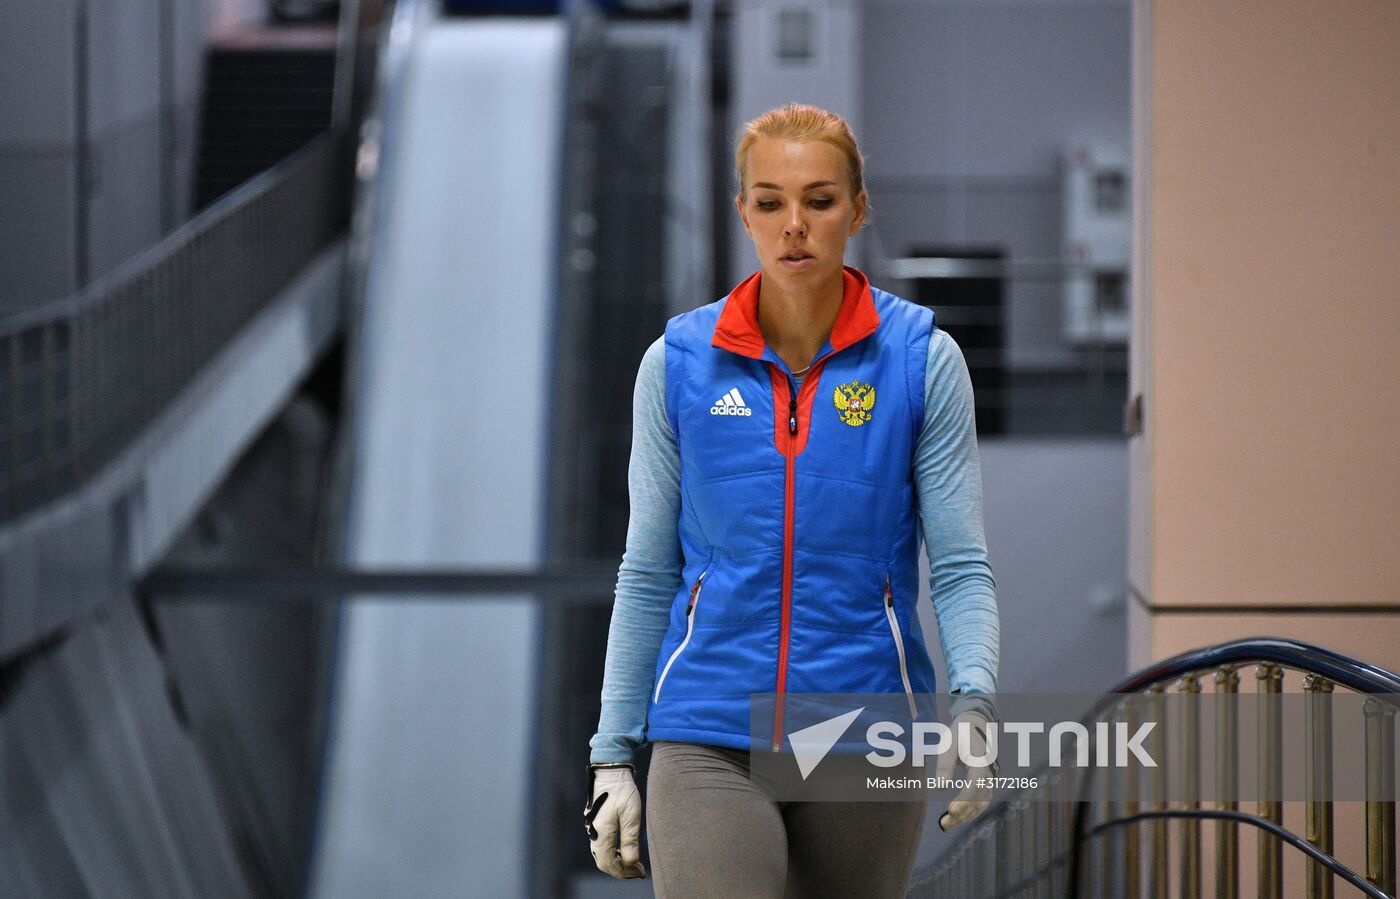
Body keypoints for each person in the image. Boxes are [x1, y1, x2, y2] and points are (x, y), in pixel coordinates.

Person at [583, 102, 1000, 897]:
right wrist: (613, 752)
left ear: (858, 207)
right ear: (743, 211)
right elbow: (646, 571)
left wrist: (973, 705)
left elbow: (959, 566)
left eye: (819, 199)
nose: (794, 225)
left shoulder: (922, 362)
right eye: (770, 201)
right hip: (710, 723)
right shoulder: (675, 365)